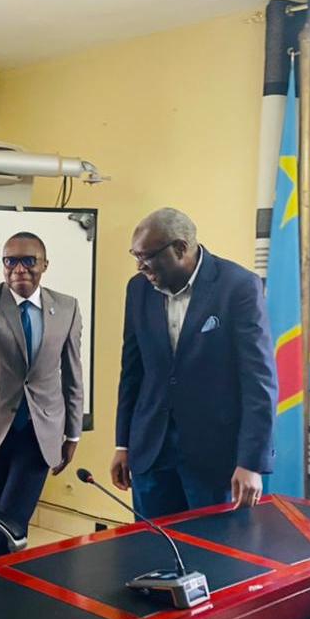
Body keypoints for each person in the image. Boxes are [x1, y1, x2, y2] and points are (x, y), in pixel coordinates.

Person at [112, 208, 277, 519]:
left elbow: (259, 381)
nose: (140, 266)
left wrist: (251, 462)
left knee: (215, 548)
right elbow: (132, 372)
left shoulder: (238, 286)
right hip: (151, 452)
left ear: (180, 248)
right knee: (151, 545)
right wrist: (123, 444)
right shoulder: (138, 289)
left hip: (214, 460)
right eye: (136, 256)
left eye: (147, 257)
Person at [0, 232, 84, 557]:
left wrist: (73, 434)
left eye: (28, 261)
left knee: (10, 528)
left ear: (44, 265)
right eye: (10, 261)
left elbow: (72, 374)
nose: (19, 269)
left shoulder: (66, 307)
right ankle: (0, 576)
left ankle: (1, 584)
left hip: (39, 433)